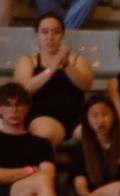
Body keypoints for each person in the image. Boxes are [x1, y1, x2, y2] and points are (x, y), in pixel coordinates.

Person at [1, 82, 95, 196]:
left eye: (19, 104)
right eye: (8, 104)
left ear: (27, 108)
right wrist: (28, 170)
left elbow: (49, 176)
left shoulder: (40, 143)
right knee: (40, 181)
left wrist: (22, 175)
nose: (13, 110)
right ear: (0, 108)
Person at [15, 15, 92, 150]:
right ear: (37, 35)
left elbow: (86, 84)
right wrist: (51, 69)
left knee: (94, 134)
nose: (50, 37)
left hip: (76, 116)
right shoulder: (27, 61)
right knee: (46, 134)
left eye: (56, 32)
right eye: (45, 32)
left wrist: (66, 65)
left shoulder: (77, 60)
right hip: (42, 116)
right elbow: (24, 89)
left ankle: (82, 171)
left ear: (62, 35)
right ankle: (44, 170)